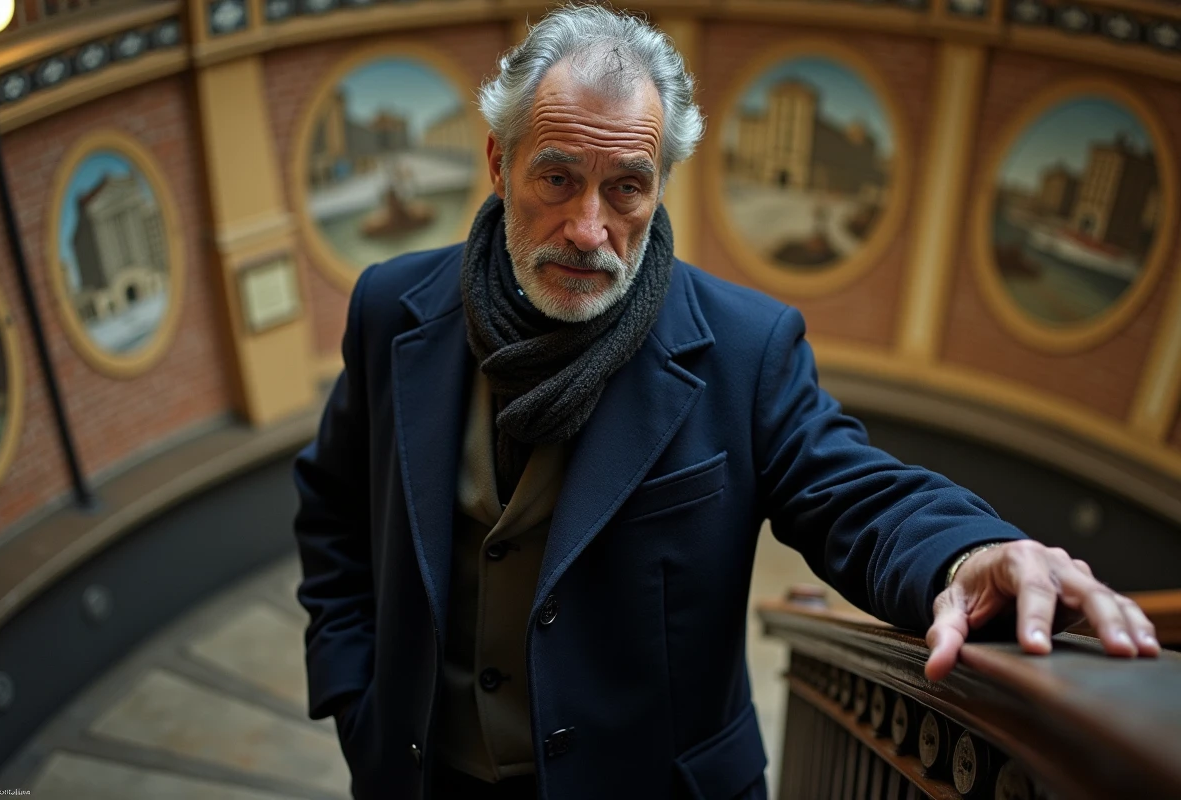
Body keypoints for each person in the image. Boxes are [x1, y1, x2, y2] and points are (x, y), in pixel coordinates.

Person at [292, 6, 1159, 799]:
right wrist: (352, 693)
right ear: (498, 162)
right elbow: (334, 509)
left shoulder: (746, 349)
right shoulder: (390, 307)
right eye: (557, 179)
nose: (590, 229)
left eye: (626, 187)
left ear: (661, 186)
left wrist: (969, 553)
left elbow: (854, 490)